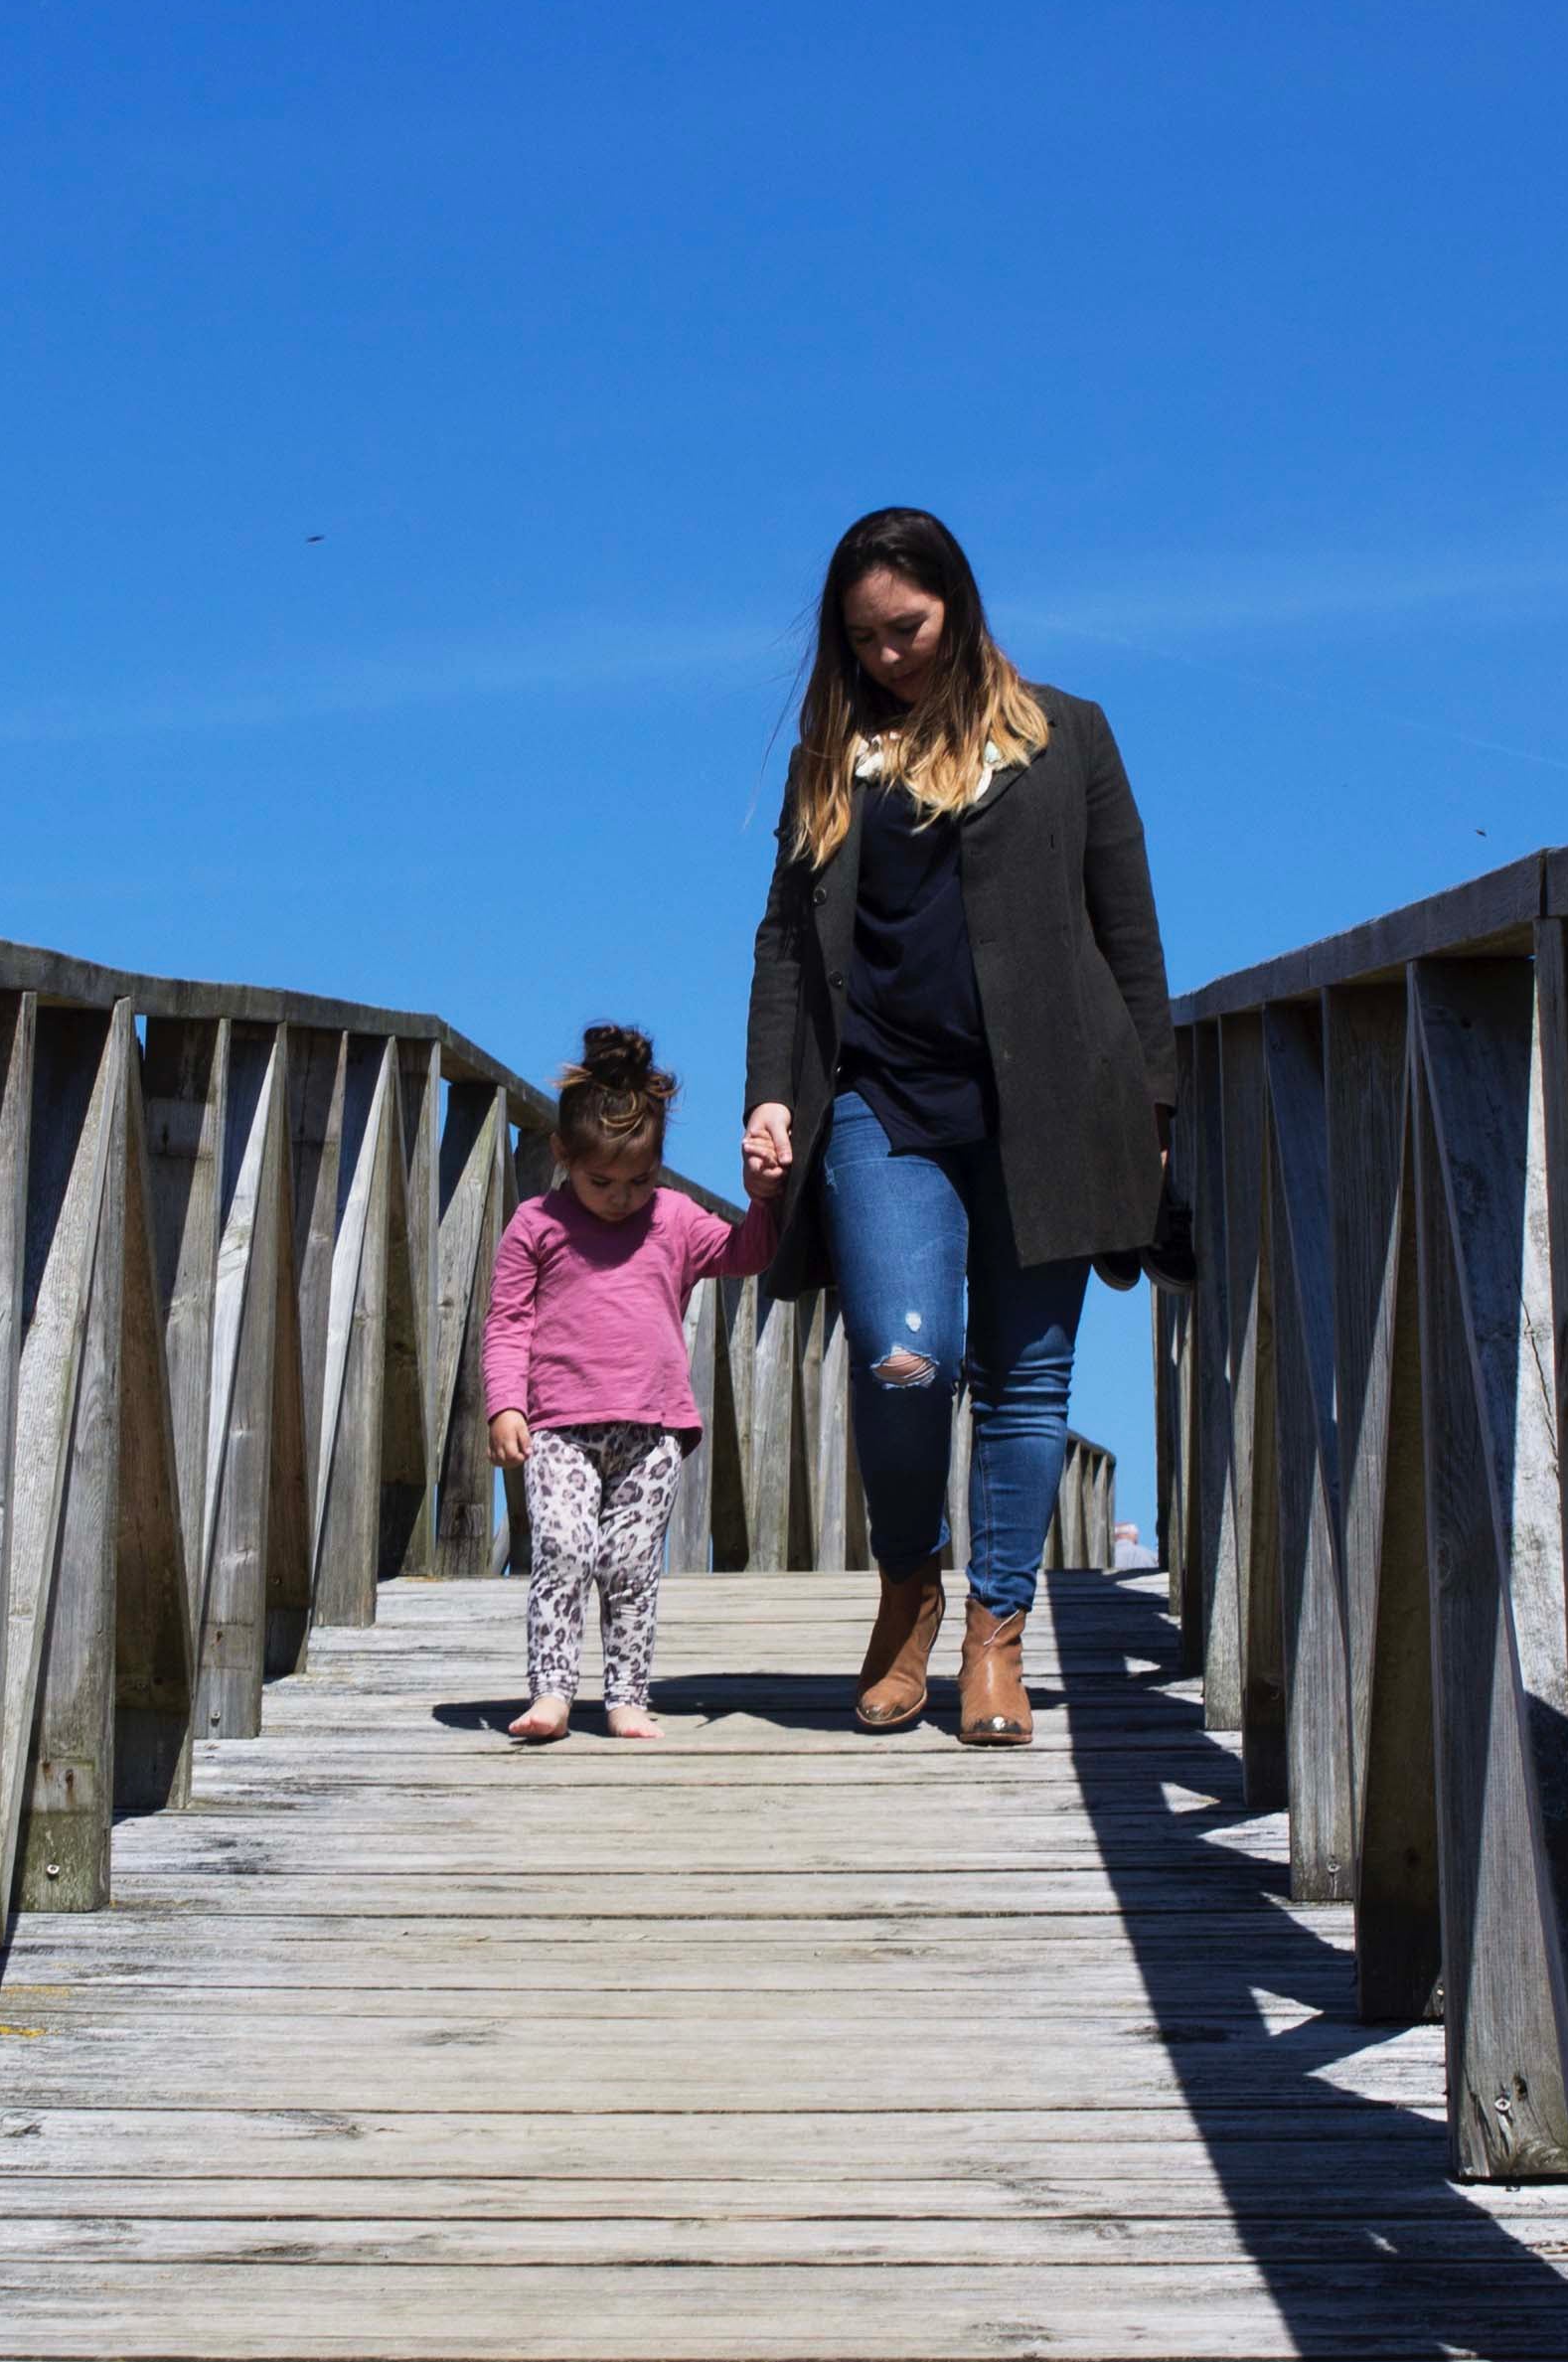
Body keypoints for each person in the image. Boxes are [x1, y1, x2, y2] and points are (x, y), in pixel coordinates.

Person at [742, 509, 1175, 1747]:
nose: (888, 657)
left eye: (907, 629)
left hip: (1056, 1104)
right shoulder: (831, 761)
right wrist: (769, 1090)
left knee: (1028, 1380)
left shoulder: (1068, 737)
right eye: (863, 639)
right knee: (902, 1354)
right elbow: (783, 940)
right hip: (881, 1099)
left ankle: (996, 1633)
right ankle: (908, 1585)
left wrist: (1152, 1105)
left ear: (960, 605)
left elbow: (1128, 932)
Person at [486, 1025, 781, 1744]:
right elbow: (506, 1322)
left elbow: (750, 1253)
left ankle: (625, 1696)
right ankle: (552, 1692)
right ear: (563, 1157)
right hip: (558, 1426)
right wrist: (504, 1404)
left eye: (640, 1180)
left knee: (629, 1565)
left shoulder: (675, 1219)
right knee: (561, 1546)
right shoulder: (536, 1225)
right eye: (601, 1182)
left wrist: (762, 1198)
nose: (621, 1198)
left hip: (651, 1430)